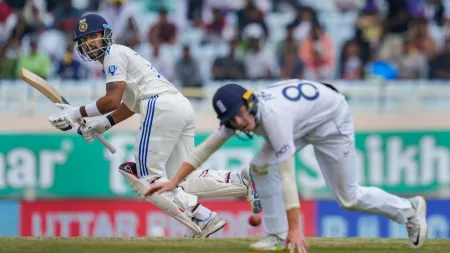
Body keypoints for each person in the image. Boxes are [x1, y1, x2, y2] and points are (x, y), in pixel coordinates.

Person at [147, 79, 428, 252]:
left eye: (242, 115)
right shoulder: (240, 113)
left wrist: (298, 228)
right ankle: (276, 234)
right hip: (304, 119)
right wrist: (173, 183)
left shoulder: (274, 119)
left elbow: (288, 177)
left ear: (250, 102)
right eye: (233, 121)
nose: (241, 123)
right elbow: (204, 150)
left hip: (331, 121)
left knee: (348, 197)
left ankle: (409, 209)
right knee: (259, 166)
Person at [46, 13, 260, 238]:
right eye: (84, 39)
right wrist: (102, 124)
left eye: (93, 36)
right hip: (179, 106)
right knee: (182, 180)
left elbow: (112, 100)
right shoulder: (119, 57)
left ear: (107, 34)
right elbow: (130, 104)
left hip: (160, 106)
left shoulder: (113, 54)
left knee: (146, 177)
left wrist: (75, 113)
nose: (89, 43)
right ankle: (242, 180)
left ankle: (203, 217)